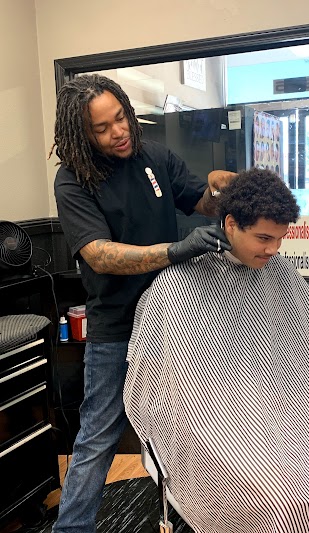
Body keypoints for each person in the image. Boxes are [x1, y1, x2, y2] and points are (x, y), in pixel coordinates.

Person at [124, 168, 309, 533]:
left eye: (280, 239)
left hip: (294, 404)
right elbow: (176, 387)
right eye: (264, 238)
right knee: (279, 499)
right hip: (223, 416)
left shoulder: (278, 270)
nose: (274, 250)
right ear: (231, 223)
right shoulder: (178, 283)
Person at [49, 73, 236, 533]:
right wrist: (175, 250)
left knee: (195, 426)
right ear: (82, 135)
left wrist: (218, 190)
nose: (118, 131)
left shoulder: (155, 155)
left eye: (121, 118)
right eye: (102, 128)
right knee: (98, 436)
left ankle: (205, 515)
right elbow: (100, 254)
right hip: (116, 325)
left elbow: (203, 204)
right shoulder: (72, 181)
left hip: (174, 320)